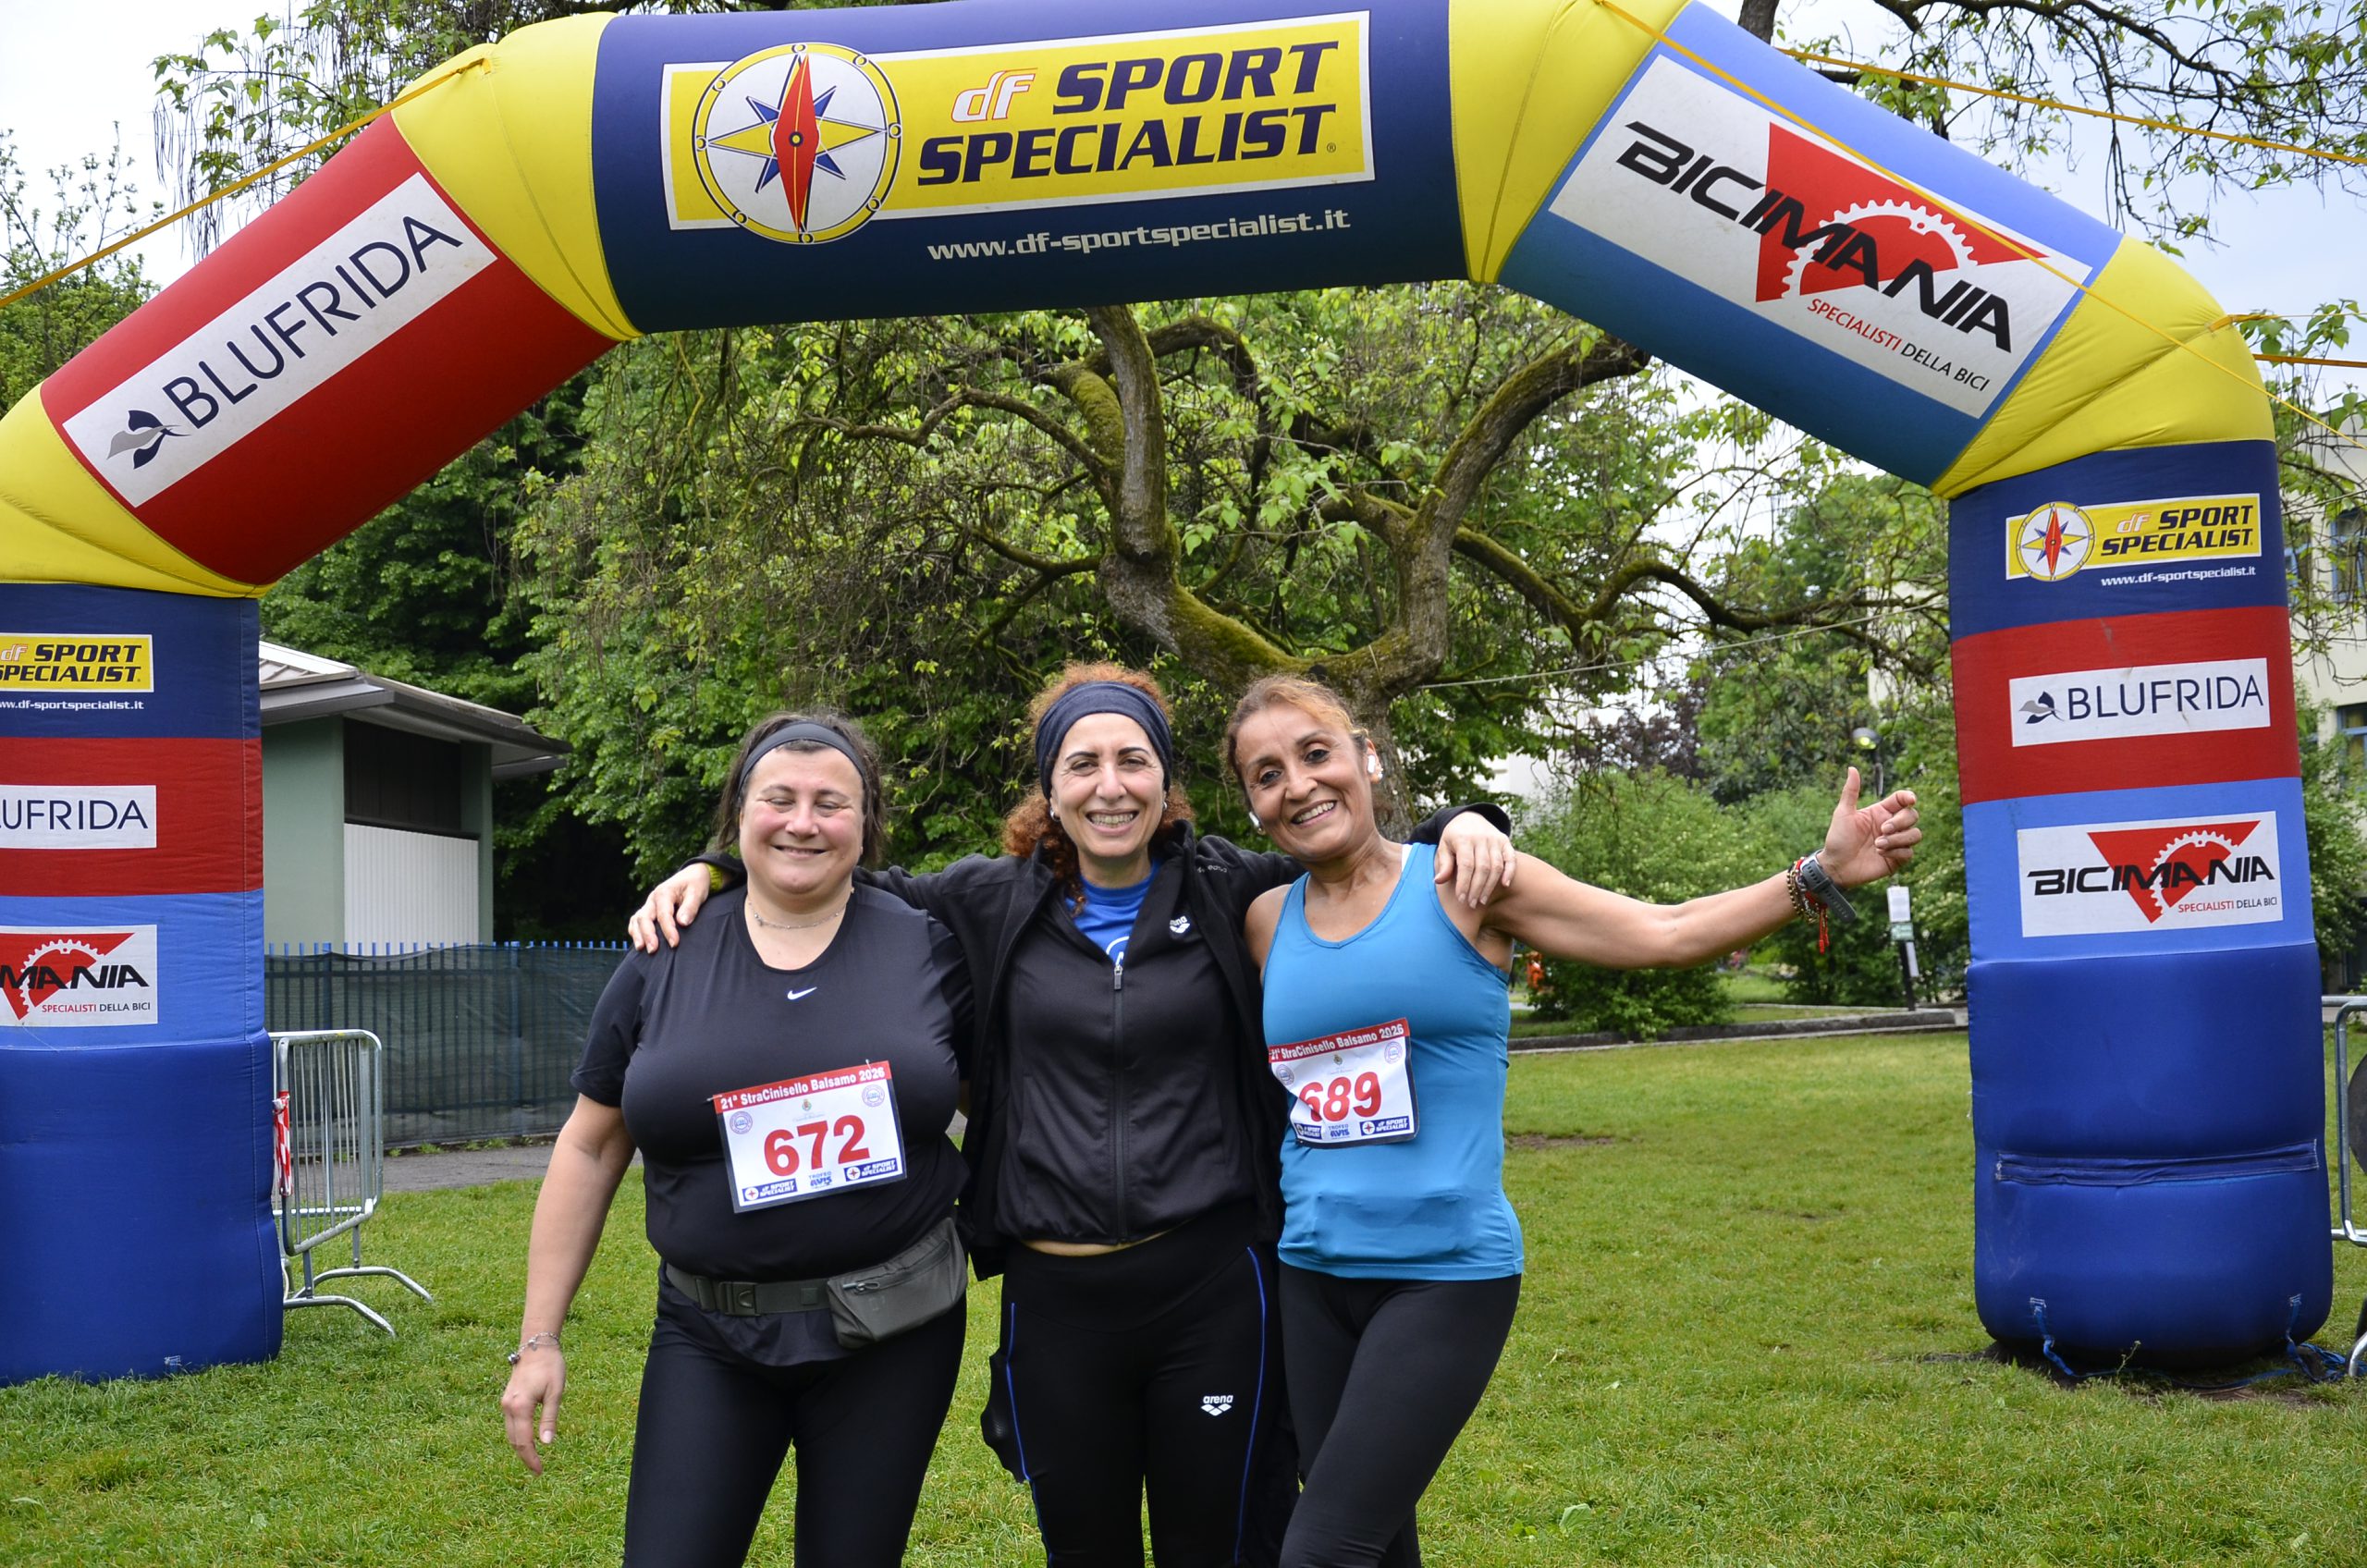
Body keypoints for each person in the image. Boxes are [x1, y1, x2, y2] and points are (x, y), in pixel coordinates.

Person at [631, 664, 1515, 1568]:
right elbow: (830, 865)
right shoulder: (983, 901)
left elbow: (1345, 849)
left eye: (1133, 760)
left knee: (1217, 1548)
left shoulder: (1227, 887)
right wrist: (715, 865)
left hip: (1211, 1290)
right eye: (1082, 764)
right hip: (1055, 1302)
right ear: (1049, 791)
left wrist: (1461, 822)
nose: (1110, 786)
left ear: (1165, 783)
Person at [1223, 675, 1919, 1568]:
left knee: (1321, 1550)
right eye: (1267, 774)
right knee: (1373, 1541)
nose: (1298, 784)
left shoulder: (1463, 881)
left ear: (1367, 759)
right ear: (1252, 806)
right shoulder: (1264, 922)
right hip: (1312, 1272)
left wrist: (1816, 874)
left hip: (1441, 1276)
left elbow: (1666, 931)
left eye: (1316, 754)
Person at [500, 711, 974, 1568]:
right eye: (778, 799)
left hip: (892, 1332)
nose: (803, 822)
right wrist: (541, 1339)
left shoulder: (928, 941)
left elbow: (1002, 1096)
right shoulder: (666, 946)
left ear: (867, 821)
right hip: (710, 1333)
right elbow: (591, 1146)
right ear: (739, 813)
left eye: (831, 803)